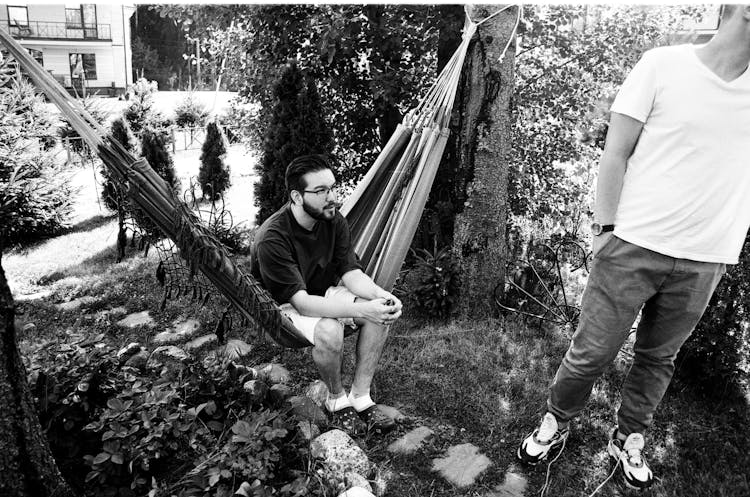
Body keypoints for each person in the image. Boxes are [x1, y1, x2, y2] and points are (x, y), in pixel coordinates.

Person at [517, 4, 750, 489]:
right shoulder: (663, 65)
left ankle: (628, 438)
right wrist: (604, 230)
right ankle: (558, 419)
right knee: (592, 352)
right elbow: (615, 152)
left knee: (658, 359)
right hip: (633, 245)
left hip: (707, 257)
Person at [251, 154, 403, 434]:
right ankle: (336, 401)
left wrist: (382, 295)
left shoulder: (333, 220)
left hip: (324, 293)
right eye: (321, 191)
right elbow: (303, 303)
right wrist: (359, 310)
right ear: (297, 196)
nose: (331, 196)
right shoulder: (272, 238)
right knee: (331, 331)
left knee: (379, 309)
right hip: (284, 307)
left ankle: (361, 398)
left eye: (332, 187)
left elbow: (351, 273)